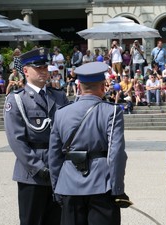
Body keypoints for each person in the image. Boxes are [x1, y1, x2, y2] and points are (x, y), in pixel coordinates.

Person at [48, 62, 129, 225]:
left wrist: (57, 186)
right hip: (101, 184)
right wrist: (117, 189)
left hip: (69, 184)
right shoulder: (111, 111)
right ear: (102, 86)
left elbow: (54, 155)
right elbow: (116, 153)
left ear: (79, 86)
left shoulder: (61, 113)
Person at [4, 47, 69, 225]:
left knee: (57, 220)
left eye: (45, 67)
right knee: (32, 221)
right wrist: (38, 168)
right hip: (31, 174)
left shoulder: (59, 97)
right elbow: (16, 140)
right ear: (25, 71)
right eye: (38, 67)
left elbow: (69, 131)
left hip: (58, 170)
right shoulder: (17, 100)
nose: (43, 71)